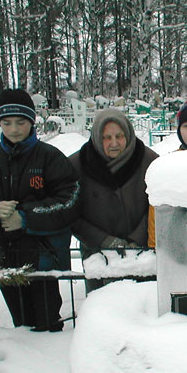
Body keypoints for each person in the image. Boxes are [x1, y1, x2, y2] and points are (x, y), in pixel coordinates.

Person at [0, 88, 81, 331]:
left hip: (43, 256)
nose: (14, 129)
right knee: (20, 323)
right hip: (1, 255)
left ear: (32, 122)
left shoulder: (50, 158)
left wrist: (25, 217)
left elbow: (69, 201)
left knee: (47, 322)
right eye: (6, 123)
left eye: (21, 122)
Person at [69, 109, 158, 291]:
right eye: (106, 137)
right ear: (96, 137)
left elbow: (156, 204)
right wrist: (104, 240)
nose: (114, 143)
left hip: (142, 252)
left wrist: (137, 239)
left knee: (142, 308)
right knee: (104, 310)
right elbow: (71, 213)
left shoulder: (150, 161)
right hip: (97, 253)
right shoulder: (76, 165)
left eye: (119, 136)